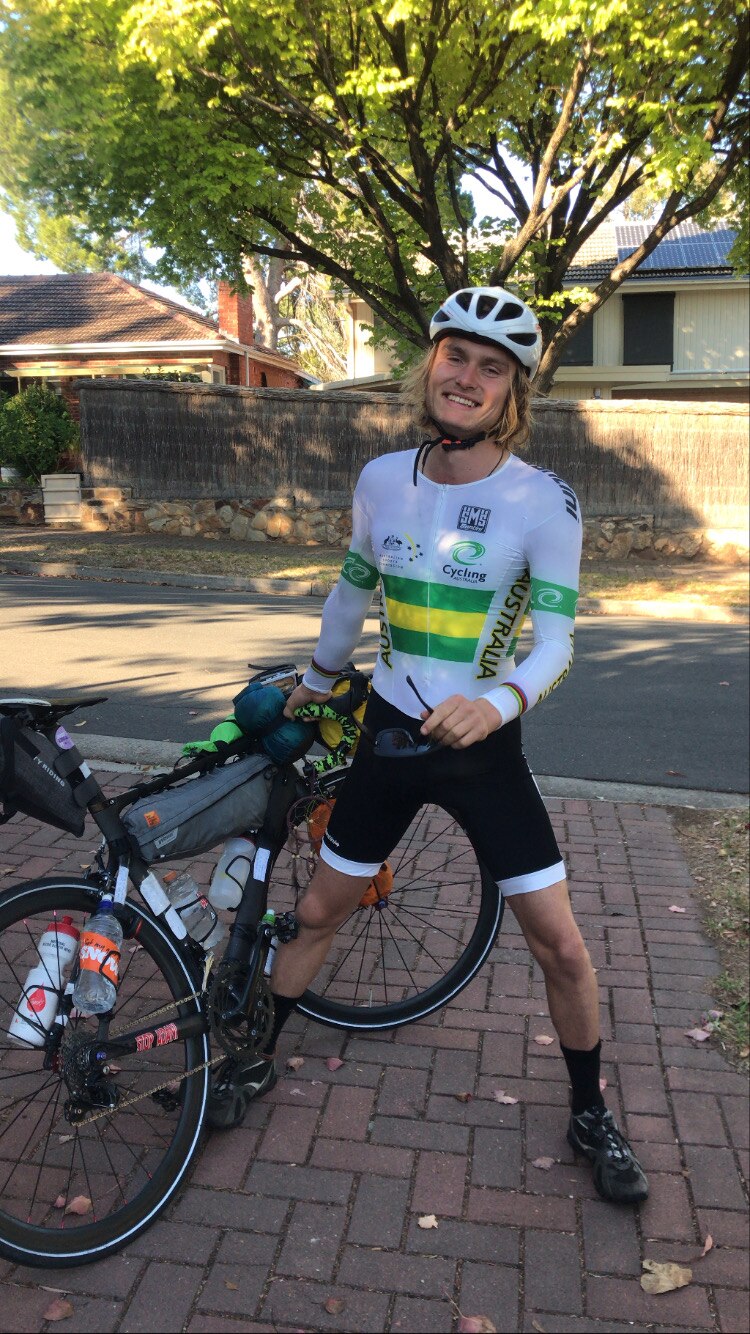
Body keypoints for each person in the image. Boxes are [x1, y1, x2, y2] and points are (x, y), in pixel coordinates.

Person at [208, 286, 648, 1205]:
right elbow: (349, 595)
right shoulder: (381, 480)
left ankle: (589, 1109)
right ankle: (255, 1057)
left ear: (512, 391)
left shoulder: (545, 502)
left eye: (492, 368)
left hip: (484, 749)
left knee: (562, 948)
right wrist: (317, 680)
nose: (468, 378)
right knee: (321, 911)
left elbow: (558, 643)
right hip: (389, 733)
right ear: (431, 364)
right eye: (457, 356)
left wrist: (499, 703)